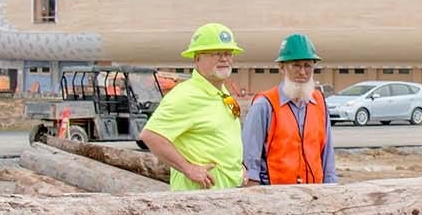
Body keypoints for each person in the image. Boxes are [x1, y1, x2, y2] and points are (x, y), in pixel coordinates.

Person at [139, 23, 245, 190]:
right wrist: (188, 168)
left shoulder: (223, 93)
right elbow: (151, 135)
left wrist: (238, 167)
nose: (224, 58)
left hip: (226, 194)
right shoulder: (185, 95)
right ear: (197, 59)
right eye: (216, 53)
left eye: (228, 53)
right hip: (197, 201)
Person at [243, 34, 336, 185]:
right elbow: (250, 162)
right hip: (276, 197)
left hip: (316, 194)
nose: (302, 72)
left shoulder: (319, 103)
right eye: (296, 65)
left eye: (307, 65)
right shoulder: (264, 105)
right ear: (282, 67)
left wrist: (331, 189)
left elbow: (327, 157)